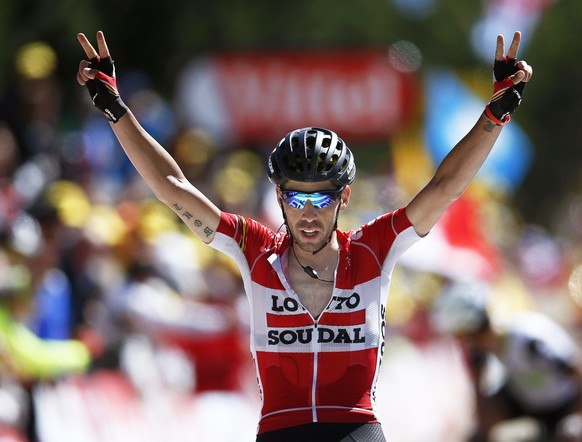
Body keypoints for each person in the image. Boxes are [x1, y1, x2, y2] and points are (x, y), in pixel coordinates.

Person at [75, 30, 532, 441]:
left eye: (322, 200)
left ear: (345, 196)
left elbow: (445, 186)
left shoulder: (374, 249)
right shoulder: (253, 249)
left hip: (356, 428)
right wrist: (115, 108)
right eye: (295, 200)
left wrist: (496, 113)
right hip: (280, 430)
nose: (308, 214)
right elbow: (172, 187)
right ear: (278, 197)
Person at [432, 280, 582, 442]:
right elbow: (481, 399)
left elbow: (577, 373)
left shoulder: (530, 340)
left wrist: (576, 418)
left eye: (461, 336)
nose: (462, 343)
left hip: (564, 405)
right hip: (527, 401)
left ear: (473, 328)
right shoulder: (480, 351)